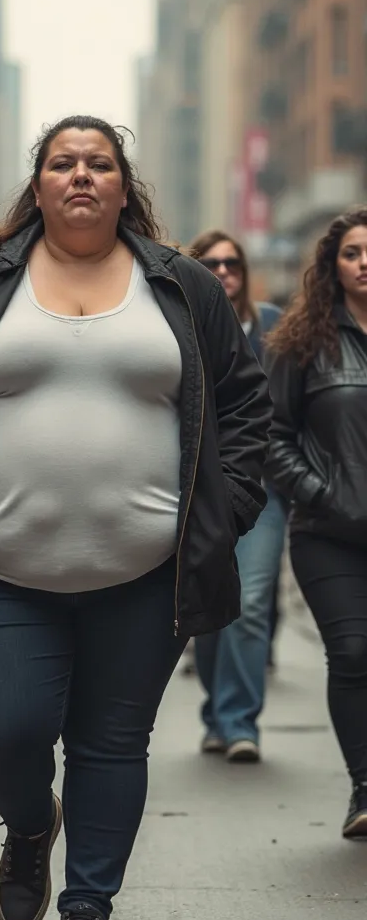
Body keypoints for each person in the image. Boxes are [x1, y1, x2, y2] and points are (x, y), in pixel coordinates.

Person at [0, 115, 270, 920]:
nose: (82, 176)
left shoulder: (183, 286)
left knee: (111, 743)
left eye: (100, 163)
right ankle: (30, 825)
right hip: (1, 571)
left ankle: (87, 909)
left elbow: (246, 408)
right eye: (64, 163)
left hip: (148, 574)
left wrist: (222, 512)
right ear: (40, 184)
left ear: (124, 185)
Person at [266, 206, 367, 839]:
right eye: (353, 252)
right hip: (328, 533)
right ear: (333, 267)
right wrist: (321, 493)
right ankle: (364, 786)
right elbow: (272, 437)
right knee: (354, 651)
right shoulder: (306, 343)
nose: (366, 262)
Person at [189, 230, 287, 762]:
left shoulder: (273, 327)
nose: (223, 271)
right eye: (211, 263)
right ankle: (216, 710)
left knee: (249, 604)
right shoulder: (181, 323)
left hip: (265, 488)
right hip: (198, 491)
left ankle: (238, 721)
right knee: (210, 605)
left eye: (232, 263)